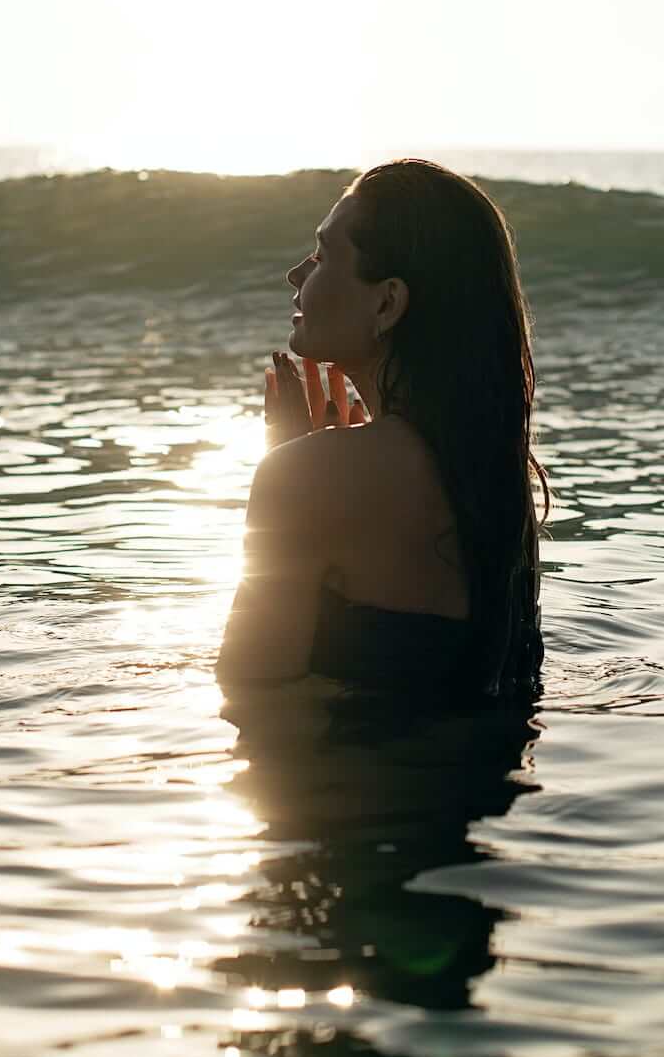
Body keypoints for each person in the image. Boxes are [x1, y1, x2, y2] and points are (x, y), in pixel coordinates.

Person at [217, 158, 548, 702]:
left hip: (355, 784)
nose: (296, 275)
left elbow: (248, 692)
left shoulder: (313, 476)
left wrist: (297, 465)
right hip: (490, 784)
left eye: (323, 255)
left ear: (387, 302)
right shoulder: (494, 475)